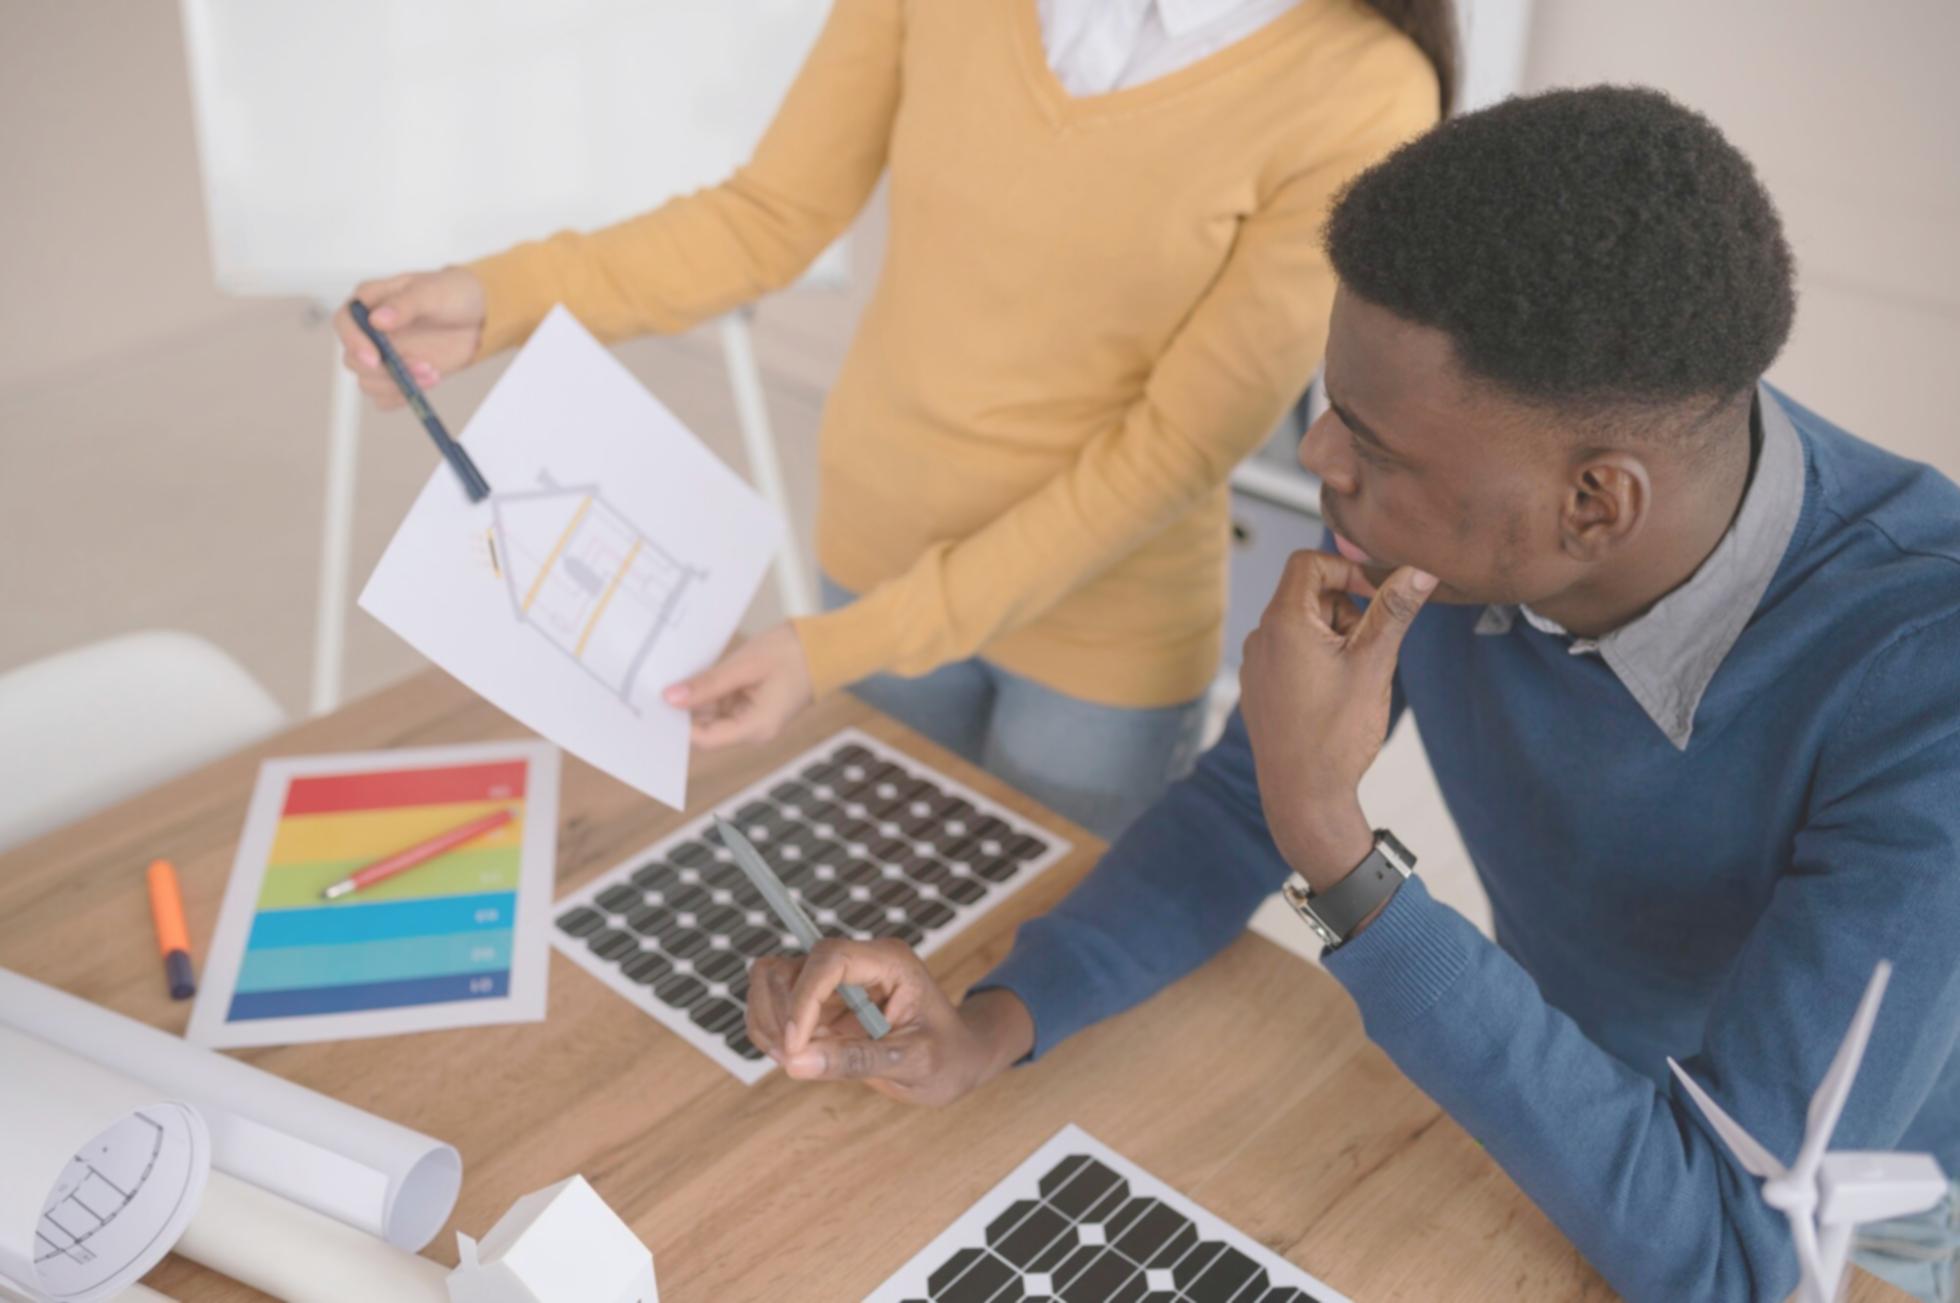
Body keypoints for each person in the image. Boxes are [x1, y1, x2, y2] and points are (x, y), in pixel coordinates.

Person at [740, 86, 1960, 1302]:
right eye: (1330, 410)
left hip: (1876, 1215)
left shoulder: (1924, 686)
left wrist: (1336, 845)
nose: (1317, 459)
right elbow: (1237, 812)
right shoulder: (1473, 516)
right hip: (1575, 1102)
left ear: (1595, 504)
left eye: (1371, 447)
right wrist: (993, 1021)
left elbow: (1731, 1261)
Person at [330, 0, 1452, 839]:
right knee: (862, 922)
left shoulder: (1365, 87)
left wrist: (837, 649)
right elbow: (768, 217)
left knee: (1027, 979)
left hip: (1098, 631)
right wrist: (500, 297)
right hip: (875, 543)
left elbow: (1174, 450)